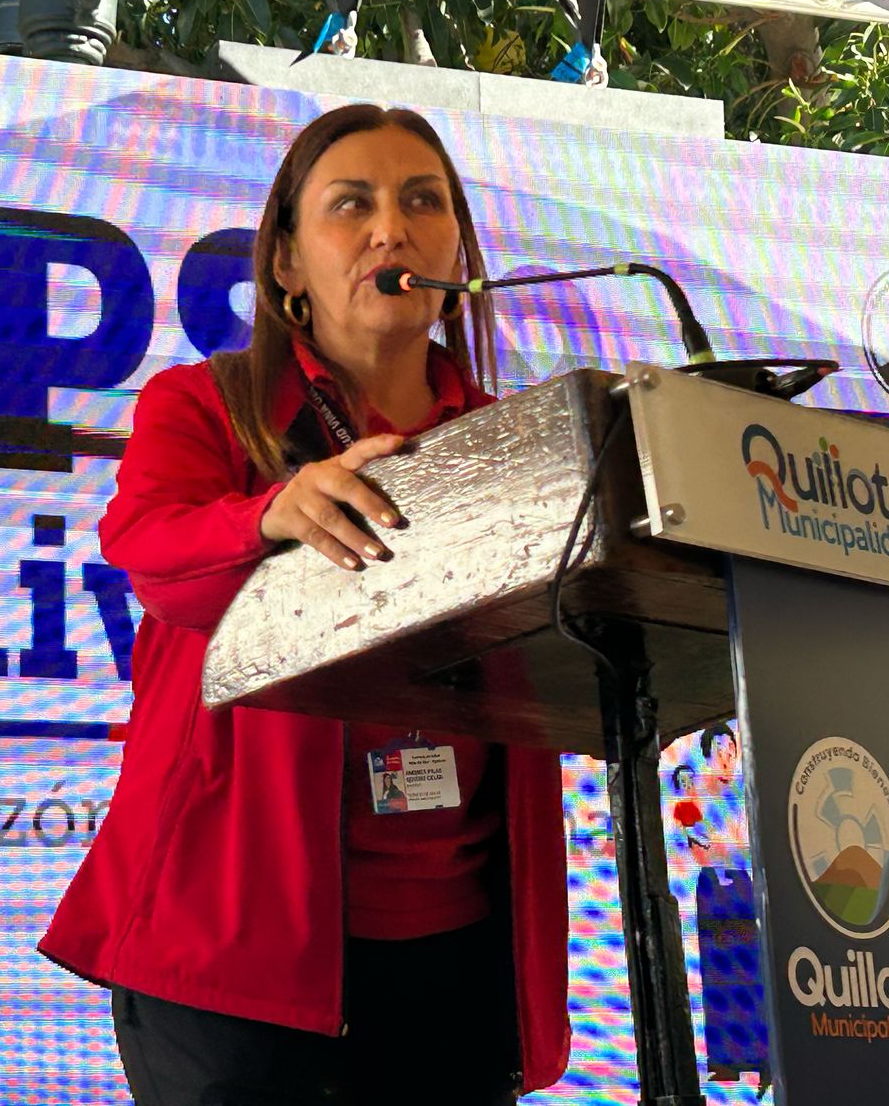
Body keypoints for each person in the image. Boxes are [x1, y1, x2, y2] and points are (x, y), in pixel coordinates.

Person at [39, 104, 570, 1104]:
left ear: (458, 249)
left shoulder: (514, 439)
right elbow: (152, 557)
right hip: (237, 954)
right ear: (286, 261)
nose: (391, 229)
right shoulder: (207, 406)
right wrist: (271, 514)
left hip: (459, 955)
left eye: (423, 202)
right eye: (351, 205)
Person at [693, 723, 767, 1092]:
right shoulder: (696, 795)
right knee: (719, 971)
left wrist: (727, 850)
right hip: (712, 887)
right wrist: (723, 851)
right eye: (719, 749)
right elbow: (697, 848)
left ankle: (760, 1057)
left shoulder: (745, 793)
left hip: (741, 883)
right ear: (707, 755)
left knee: (750, 970)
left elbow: (753, 845)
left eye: (731, 749)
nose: (726, 756)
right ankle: (725, 1062)